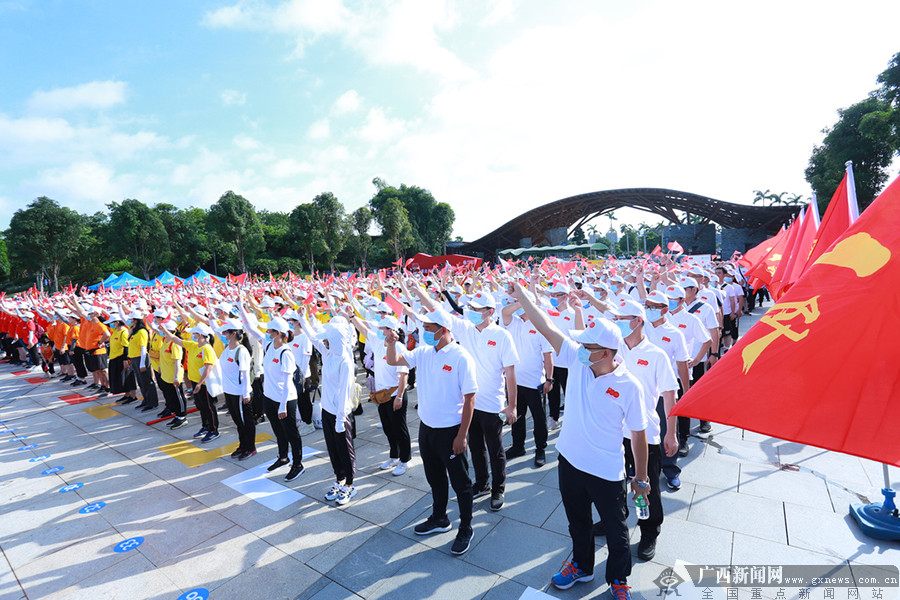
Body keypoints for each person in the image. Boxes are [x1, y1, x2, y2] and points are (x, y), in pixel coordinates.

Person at [514, 282, 648, 599]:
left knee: (616, 533)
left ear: (604, 352)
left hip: (607, 471)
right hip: (570, 462)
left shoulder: (629, 386)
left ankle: (618, 578)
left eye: (587, 345)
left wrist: (641, 478)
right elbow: (545, 325)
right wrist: (522, 294)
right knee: (578, 524)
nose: (580, 347)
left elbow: (639, 436)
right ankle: (582, 567)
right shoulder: (577, 359)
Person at [411, 284, 518, 511]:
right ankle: (483, 483)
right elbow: (435, 309)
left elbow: (510, 372)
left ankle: (498, 489)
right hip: (470, 403)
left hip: (492, 403)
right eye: (471, 307)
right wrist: (417, 290)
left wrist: (512, 406)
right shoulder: (466, 329)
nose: (471, 311)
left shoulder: (502, 336)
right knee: (476, 447)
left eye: (477, 309)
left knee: (495, 449)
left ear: (490, 312)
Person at [386, 308, 478, 556]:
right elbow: (395, 361)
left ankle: (466, 527)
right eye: (424, 328)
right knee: (435, 477)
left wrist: (462, 435)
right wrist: (391, 344)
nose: (424, 332)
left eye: (429, 329)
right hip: (427, 429)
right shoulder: (425, 353)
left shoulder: (461, 357)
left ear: (444, 329)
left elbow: (470, 399)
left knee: (461, 482)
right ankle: (440, 518)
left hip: (451, 431)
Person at [240, 302, 305, 482]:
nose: (266, 333)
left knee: (292, 434)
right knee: (278, 431)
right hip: (270, 398)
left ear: (278, 334)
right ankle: (283, 457)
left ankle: (298, 464)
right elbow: (250, 327)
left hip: (285, 400)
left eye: (270, 331)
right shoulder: (269, 346)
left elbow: (286, 383)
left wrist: (283, 405)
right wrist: (239, 305)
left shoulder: (286, 353)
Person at [301, 311, 358, 504]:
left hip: (340, 414)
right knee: (332, 449)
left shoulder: (345, 361)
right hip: (327, 410)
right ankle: (339, 479)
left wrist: (341, 419)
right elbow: (313, 337)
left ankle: (349, 484)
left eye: (328, 339)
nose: (324, 341)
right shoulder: (329, 354)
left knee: (344, 449)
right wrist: (303, 318)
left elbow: (344, 392)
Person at [346, 310, 411, 476]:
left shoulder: (399, 347)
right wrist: (352, 317)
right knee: (388, 428)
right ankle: (393, 455)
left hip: (395, 394)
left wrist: (399, 396)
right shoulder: (377, 341)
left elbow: (404, 375)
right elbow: (364, 330)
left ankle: (405, 460)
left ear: (391, 330)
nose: (379, 331)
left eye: (383, 329)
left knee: (399, 429)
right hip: (381, 395)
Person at [501, 289, 553, 468]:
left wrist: (550, 379)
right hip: (515, 381)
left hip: (534, 382)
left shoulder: (540, 326)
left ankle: (540, 448)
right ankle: (518, 446)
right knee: (518, 416)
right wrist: (520, 301)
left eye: (525, 304)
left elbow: (547, 355)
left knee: (539, 418)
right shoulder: (512, 322)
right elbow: (504, 312)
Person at [217, 319, 256, 460]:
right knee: (238, 422)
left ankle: (250, 447)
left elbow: (245, 374)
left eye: (225, 332)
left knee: (246, 422)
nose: (222, 334)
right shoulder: (227, 349)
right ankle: (242, 445)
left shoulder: (241, 351)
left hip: (240, 393)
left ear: (233, 334)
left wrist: (245, 393)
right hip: (229, 391)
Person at [127, 311, 159, 413]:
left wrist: (142, 363)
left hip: (141, 358)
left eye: (131, 319)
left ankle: (152, 402)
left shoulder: (142, 332)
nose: (130, 321)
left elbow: (143, 348)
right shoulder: (134, 331)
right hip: (134, 358)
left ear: (136, 320)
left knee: (146, 381)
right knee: (140, 382)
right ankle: (146, 400)